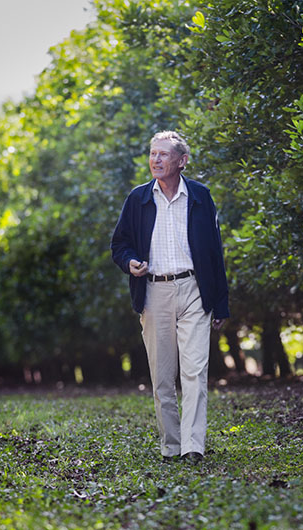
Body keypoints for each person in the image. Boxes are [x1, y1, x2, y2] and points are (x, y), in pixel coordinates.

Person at [111, 131, 229, 464]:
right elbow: (119, 244)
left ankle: (193, 446)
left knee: (195, 371)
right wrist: (130, 262)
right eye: (152, 154)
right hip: (153, 292)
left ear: (182, 160)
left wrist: (220, 302)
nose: (156, 160)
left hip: (194, 289)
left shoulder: (201, 197)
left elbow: (214, 252)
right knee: (162, 375)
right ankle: (171, 445)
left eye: (164, 154)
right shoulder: (138, 199)